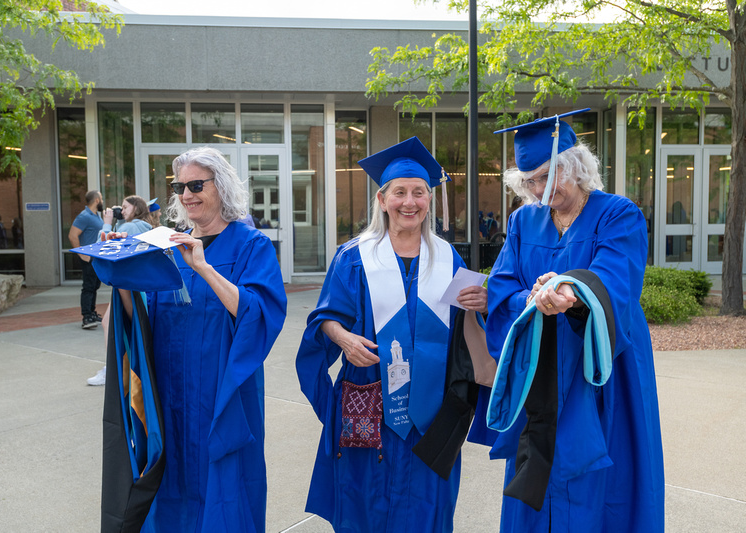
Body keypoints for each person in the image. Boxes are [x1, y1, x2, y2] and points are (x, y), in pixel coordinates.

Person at [478, 110, 664, 531]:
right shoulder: (523, 220)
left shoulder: (618, 214)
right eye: (531, 181)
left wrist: (572, 293)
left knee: (601, 481)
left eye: (550, 175)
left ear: (577, 166)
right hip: (540, 372)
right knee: (539, 483)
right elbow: (505, 285)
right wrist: (529, 297)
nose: (542, 190)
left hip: (599, 371)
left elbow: (616, 281)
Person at [296, 137, 488, 532]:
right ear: (382, 200)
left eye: (419, 192)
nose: (409, 202)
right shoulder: (354, 257)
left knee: (428, 502)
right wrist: (344, 339)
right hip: (368, 401)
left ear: (429, 201)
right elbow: (325, 321)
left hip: (431, 408)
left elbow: (465, 332)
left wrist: (481, 304)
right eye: (399, 192)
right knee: (365, 498)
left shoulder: (448, 258)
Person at [103, 146, 287, 532]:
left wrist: (202, 267)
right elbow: (142, 325)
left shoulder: (251, 246)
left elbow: (259, 312)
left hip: (223, 397)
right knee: (172, 490)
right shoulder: (167, 247)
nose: (187, 195)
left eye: (196, 185)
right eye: (179, 186)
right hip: (171, 398)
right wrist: (121, 274)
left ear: (220, 187)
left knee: (226, 488)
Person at [87, 195, 155, 387]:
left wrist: (107, 224)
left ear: (136, 208)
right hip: (136, 282)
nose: (122, 211)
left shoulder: (130, 227)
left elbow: (101, 247)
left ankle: (113, 369)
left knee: (112, 324)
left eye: (125, 207)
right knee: (115, 324)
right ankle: (118, 367)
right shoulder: (142, 226)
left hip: (127, 284)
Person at [68, 190, 104, 329]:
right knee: (88, 287)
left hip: (96, 257)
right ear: (96, 200)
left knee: (94, 286)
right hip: (88, 257)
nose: (102, 201)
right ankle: (86, 317)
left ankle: (92, 312)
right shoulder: (84, 216)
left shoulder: (95, 216)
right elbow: (72, 235)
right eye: (101, 198)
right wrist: (81, 253)